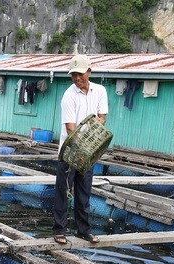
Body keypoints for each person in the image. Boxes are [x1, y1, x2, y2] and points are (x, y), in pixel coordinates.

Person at [53, 54, 108, 245]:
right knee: (63, 191)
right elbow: (70, 128)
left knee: (84, 193)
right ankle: (60, 230)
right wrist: (88, 133)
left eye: (80, 74)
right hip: (69, 153)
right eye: (73, 75)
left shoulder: (100, 91)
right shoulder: (68, 95)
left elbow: (102, 117)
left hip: (89, 153)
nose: (77, 78)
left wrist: (91, 133)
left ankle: (83, 230)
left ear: (89, 72)